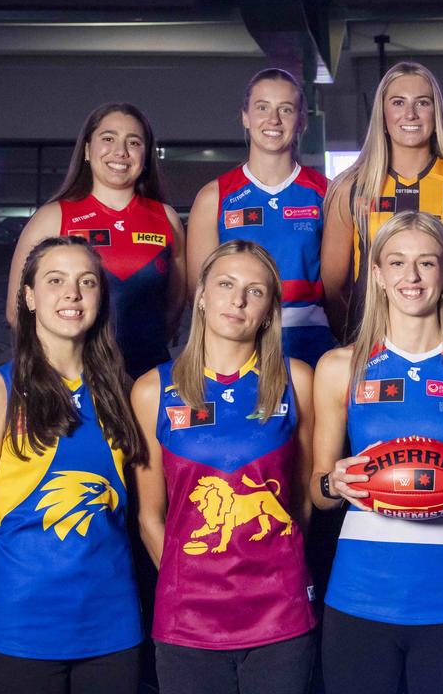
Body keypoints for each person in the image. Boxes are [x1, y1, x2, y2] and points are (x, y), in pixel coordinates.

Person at [310, 212, 443, 694]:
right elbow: (317, 491)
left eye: (427, 263)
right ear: (377, 275)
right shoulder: (341, 367)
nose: (412, 277)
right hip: (359, 593)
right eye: (397, 263)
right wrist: (333, 484)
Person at [0, 237, 146, 694]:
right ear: (30, 297)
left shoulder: (125, 392)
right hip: (16, 636)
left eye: (87, 282)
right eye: (55, 281)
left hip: (113, 634)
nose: (72, 293)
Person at [132, 240, 317, 694]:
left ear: (270, 310)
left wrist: (278, 567)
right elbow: (150, 517)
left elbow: (302, 502)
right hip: (188, 617)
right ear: (201, 295)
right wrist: (191, 581)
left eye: (255, 291)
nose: (237, 300)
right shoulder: (152, 390)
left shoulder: (298, 381)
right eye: (226, 285)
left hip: (281, 612)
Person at [7, 102, 186, 379]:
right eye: (108, 138)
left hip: (148, 378)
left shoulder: (167, 218)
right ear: (88, 150)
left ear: (146, 155)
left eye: (134, 142)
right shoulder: (52, 218)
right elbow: (17, 310)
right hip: (74, 381)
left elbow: (173, 308)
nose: (121, 151)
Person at [321, 61, 443, 339]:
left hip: (442, 348)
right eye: (398, 102)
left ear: (436, 114)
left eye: (422, 103)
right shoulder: (350, 187)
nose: (410, 114)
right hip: (368, 348)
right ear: (382, 114)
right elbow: (333, 287)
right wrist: (359, 341)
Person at [187, 69, 333, 368]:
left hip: (309, 340)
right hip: (238, 339)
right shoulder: (214, 197)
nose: (274, 120)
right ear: (245, 116)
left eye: (286, 109)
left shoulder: (327, 194)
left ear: (302, 120)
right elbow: (199, 293)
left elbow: (342, 286)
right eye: (262, 107)